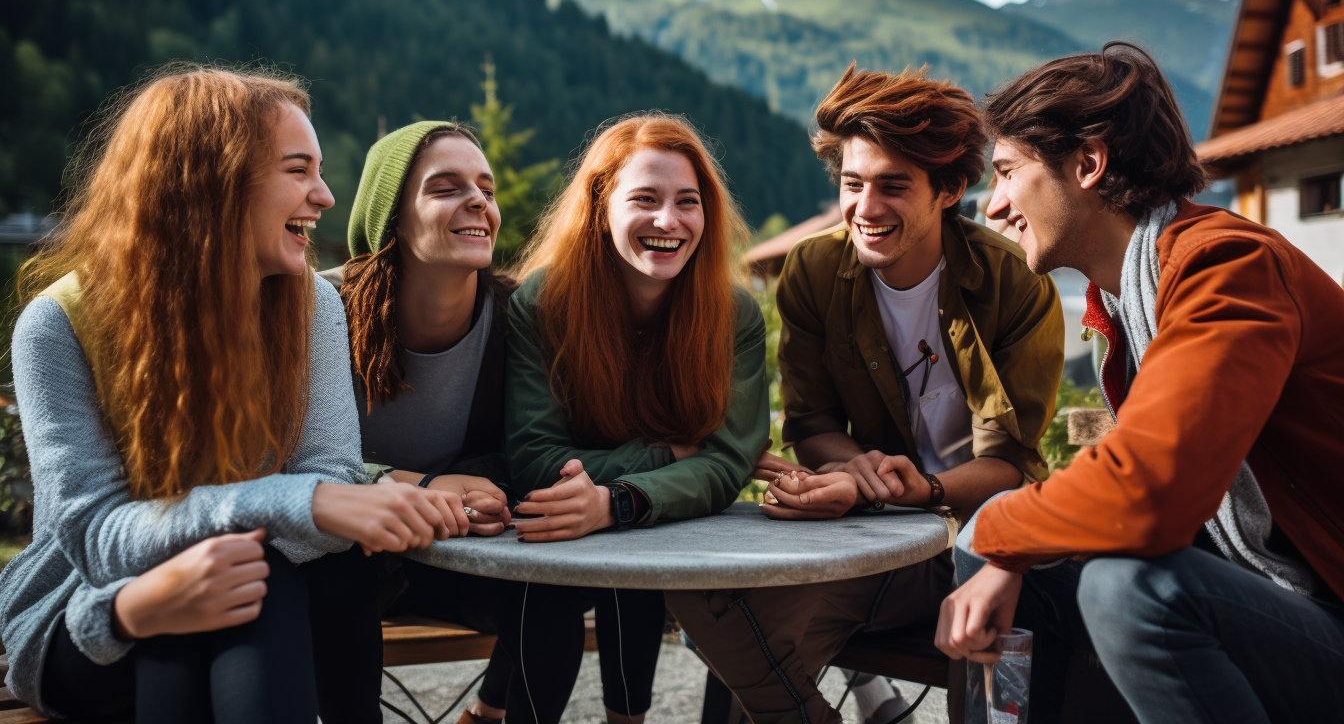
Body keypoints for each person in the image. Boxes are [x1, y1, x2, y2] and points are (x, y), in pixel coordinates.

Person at [0, 66, 465, 724]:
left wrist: (324, 505)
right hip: (91, 621)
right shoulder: (61, 324)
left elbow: (327, 480)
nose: (325, 195)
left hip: (235, 596)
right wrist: (300, 503)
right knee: (242, 578)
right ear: (210, 180)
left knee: (260, 575)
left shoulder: (313, 309)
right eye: (298, 170)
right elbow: (98, 540)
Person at [935, 42, 1344, 724]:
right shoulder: (1129, 304)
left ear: (1088, 164)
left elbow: (1152, 489)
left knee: (1130, 589)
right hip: (1272, 601)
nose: (995, 206)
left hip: (1322, 608)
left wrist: (1010, 528)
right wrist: (1009, 545)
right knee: (1000, 547)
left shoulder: (1226, 266)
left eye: (1006, 172)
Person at [666, 63, 1064, 724]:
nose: (866, 208)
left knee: (752, 643)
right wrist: (853, 469)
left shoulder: (1013, 285)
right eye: (853, 184)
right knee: (723, 608)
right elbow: (813, 423)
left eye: (893, 186)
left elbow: (1011, 467)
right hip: (864, 533)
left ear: (950, 189)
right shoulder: (814, 270)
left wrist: (916, 490)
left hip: (974, 537)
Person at [494, 113, 771, 724]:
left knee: (639, 552)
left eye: (687, 202)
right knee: (551, 568)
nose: (668, 221)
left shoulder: (734, 315)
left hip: (661, 538)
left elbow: (729, 460)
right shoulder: (541, 303)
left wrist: (617, 500)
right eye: (644, 199)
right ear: (600, 207)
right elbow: (537, 460)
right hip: (554, 542)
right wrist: (666, 457)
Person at [330, 120, 516, 724]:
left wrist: (481, 487)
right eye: (446, 187)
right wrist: (412, 485)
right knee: (335, 576)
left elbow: (536, 443)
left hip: (456, 553)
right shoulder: (316, 311)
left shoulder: (518, 317)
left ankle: (488, 715)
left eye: (485, 189)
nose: (478, 203)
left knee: (555, 583)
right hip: (346, 554)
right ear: (392, 220)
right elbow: (274, 457)